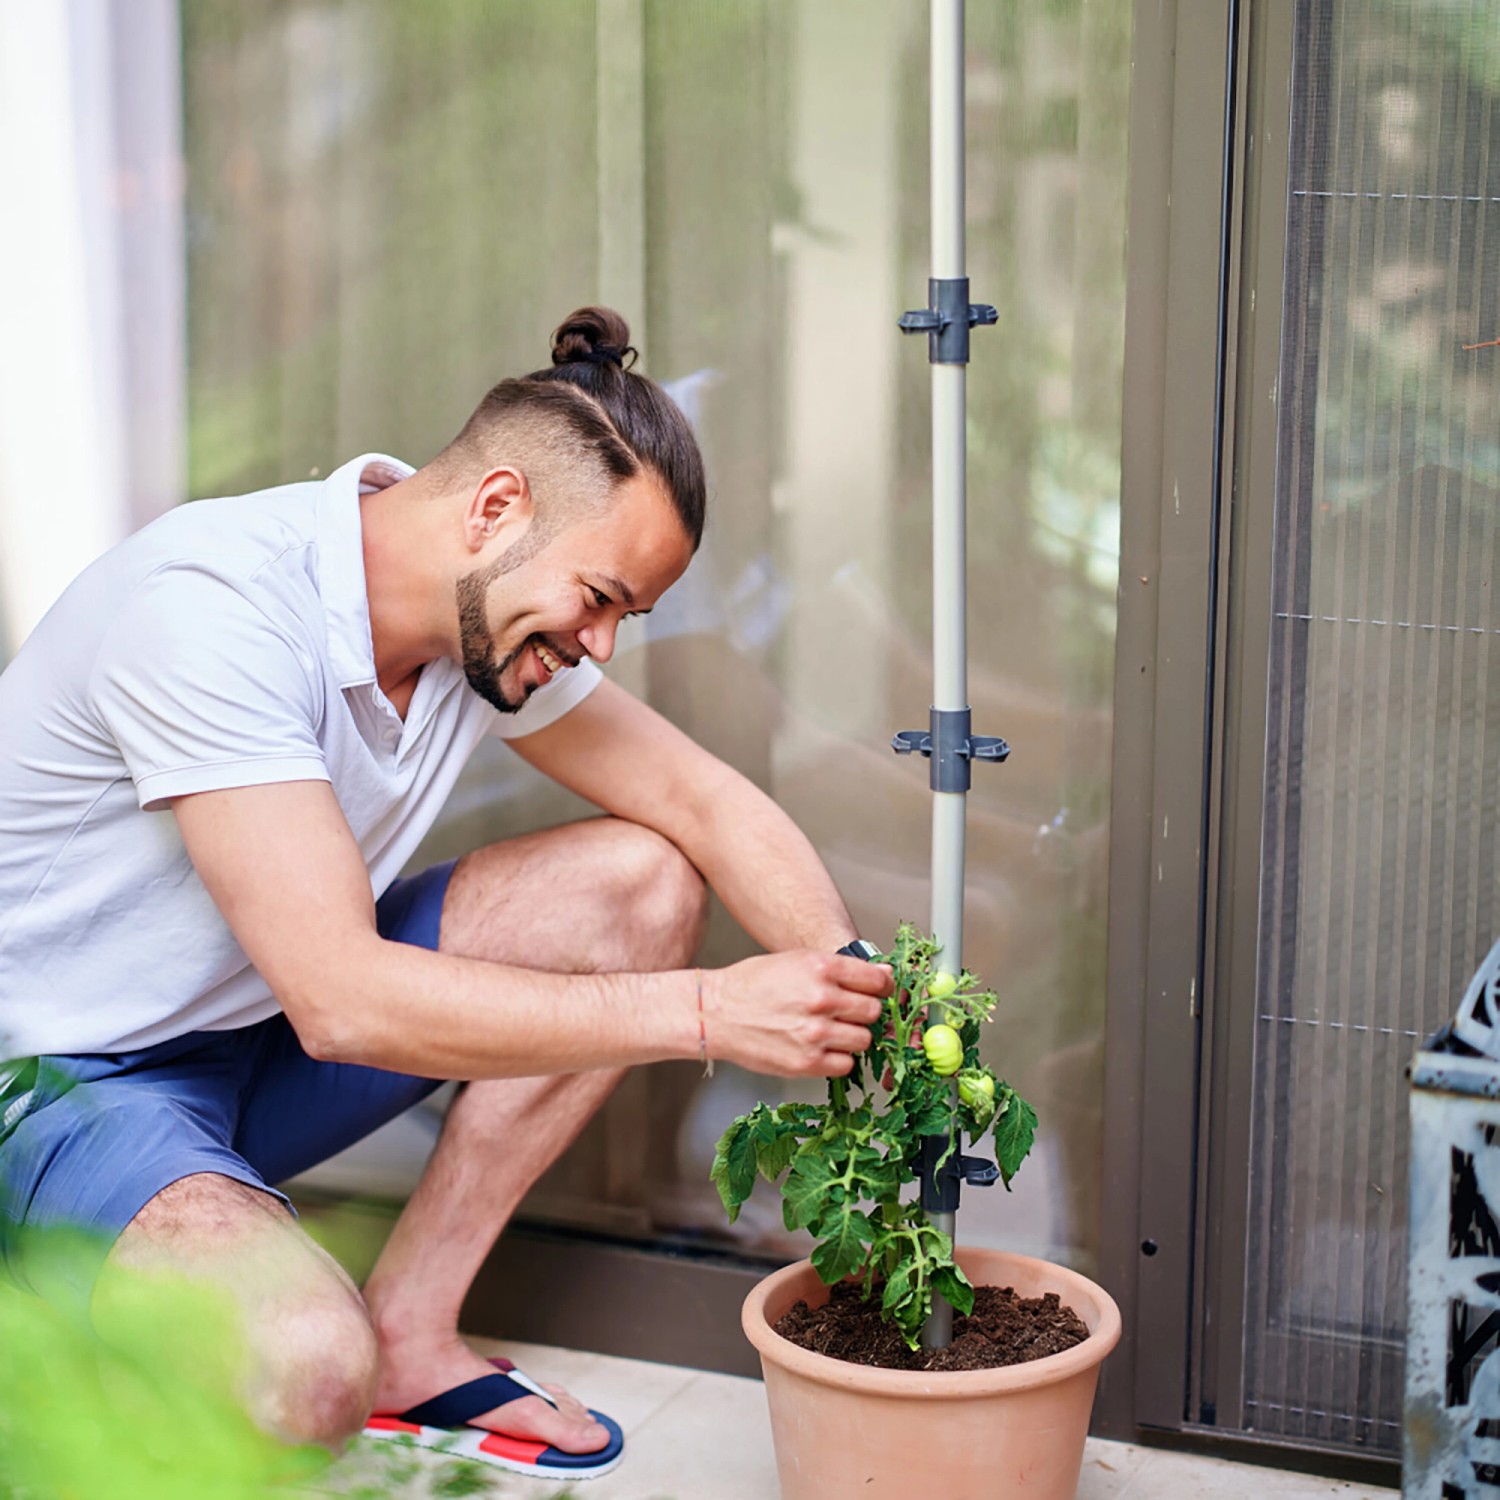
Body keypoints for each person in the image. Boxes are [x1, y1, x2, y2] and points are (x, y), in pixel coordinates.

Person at [0, 306, 892, 1476]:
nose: (603, 645)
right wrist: (714, 1011)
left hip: (241, 1037)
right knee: (306, 1368)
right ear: (495, 509)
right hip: (54, 1078)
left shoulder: (484, 620)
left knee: (640, 884)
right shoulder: (212, 612)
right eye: (602, 598)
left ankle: (412, 1328)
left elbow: (706, 805)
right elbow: (342, 1003)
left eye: (630, 615)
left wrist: (855, 993)